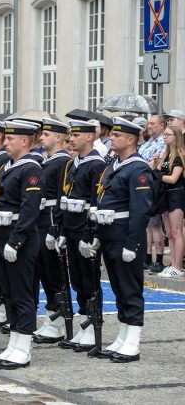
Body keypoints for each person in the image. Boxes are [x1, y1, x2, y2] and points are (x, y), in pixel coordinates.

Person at [94, 117, 153, 363]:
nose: (112, 138)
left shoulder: (138, 168)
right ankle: (123, 335)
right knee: (118, 288)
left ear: (130, 140)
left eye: (117, 136)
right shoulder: (114, 165)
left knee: (130, 287)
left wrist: (132, 244)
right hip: (110, 233)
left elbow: (141, 211)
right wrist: (98, 234)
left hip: (124, 235)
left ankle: (133, 341)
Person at [0, 120, 42, 370]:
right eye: (5, 139)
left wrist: (16, 240)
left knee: (22, 294)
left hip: (20, 239)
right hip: (2, 236)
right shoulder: (8, 167)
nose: (5, 143)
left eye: (10, 139)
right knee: (8, 294)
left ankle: (24, 348)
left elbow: (29, 209)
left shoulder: (31, 168)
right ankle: (14, 345)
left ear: (25, 141)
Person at [57, 120, 106, 352]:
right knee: (76, 279)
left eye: (76, 135)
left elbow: (97, 202)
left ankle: (93, 324)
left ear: (89, 137)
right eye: (70, 135)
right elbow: (63, 197)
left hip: (85, 229)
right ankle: (85, 322)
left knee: (89, 279)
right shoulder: (72, 163)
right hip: (71, 227)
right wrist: (61, 231)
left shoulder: (96, 164)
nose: (71, 139)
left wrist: (93, 235)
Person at [34, 118, 71, 344]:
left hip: (50, 221)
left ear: (58, 137)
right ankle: (51, 318)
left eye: (46, 135)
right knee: (44, 273)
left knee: (54, 274)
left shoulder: (62, 162)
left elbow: (60, 198)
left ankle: (57, 321)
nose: (41, 138)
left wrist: (55, 228)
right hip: (40, 220)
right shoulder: (46, 161)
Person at [152, 125, 185, 278]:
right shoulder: (166, 155)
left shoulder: (179, 156)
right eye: (164, 134)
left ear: (176, 137)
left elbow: (173, 179)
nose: (165, 137)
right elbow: (157, 170)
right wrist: (156, 163)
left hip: (176, 194)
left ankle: (178, 266)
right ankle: (173, 264)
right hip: (166, 195)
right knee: (170, 233)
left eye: (168, 135)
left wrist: (158, 175)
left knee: (177, 232)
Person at [139, 115, 167, 273]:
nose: (149, 126)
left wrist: (139, 169)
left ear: (161, 126)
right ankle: (148, 257)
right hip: (144, 183)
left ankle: (159, 260)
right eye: (148, 123)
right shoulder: (149, 143)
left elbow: (156, 163)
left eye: (152, 123)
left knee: (155, 224)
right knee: (147, 224)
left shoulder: (164, 142)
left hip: (154, 183)